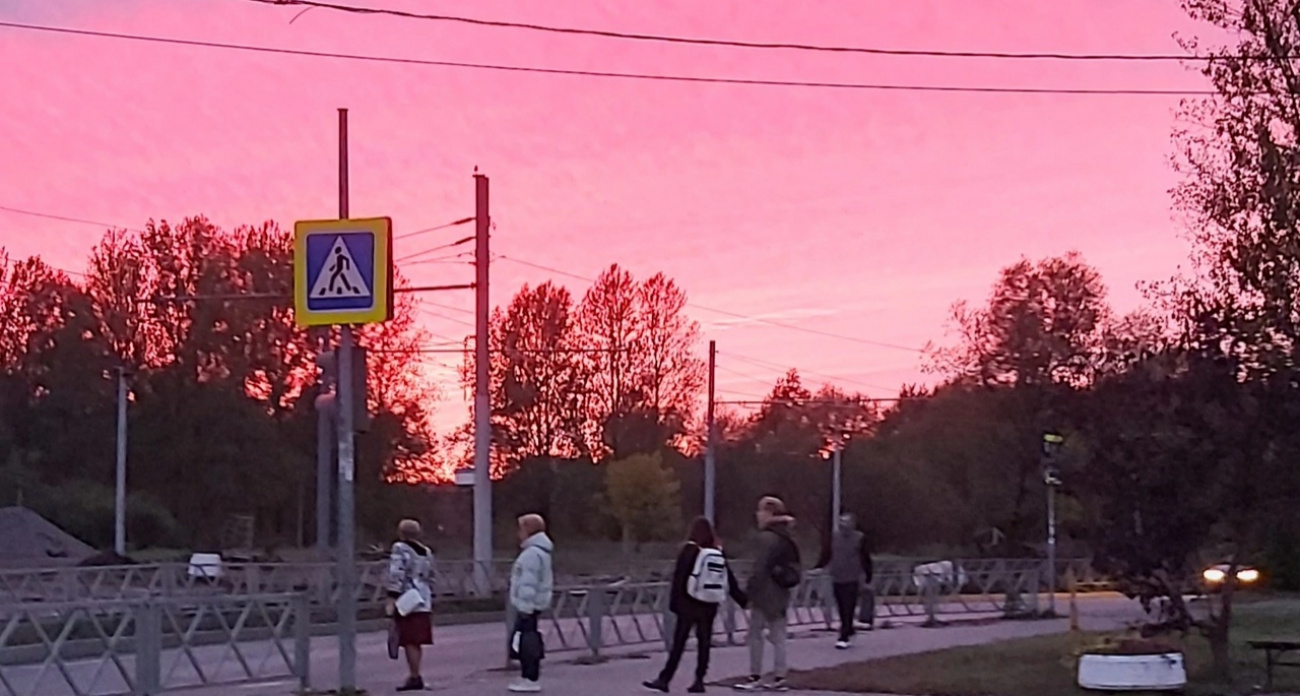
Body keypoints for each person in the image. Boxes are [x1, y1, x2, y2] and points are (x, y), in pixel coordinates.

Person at [644, 517, 748, 694]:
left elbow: (679, 579)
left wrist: (674, 605)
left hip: (688, 603)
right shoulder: (716, 552)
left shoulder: (688, 550)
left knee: (679, 643)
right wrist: (743, 600)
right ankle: (699, 680)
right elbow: (728, 578)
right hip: (709, 603)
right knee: (704, 642)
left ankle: (664, 679)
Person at [735, 497, 801, 692]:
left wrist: (748, 592)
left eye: (760, 510)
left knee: (755, 635)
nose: (757, 515)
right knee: (779, 636)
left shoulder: (765, 538)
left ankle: (755, 676)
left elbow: (759, 568)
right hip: (781, 591)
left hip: (764, 592)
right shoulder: (787, 537)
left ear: (769, 513)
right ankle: (780, 676)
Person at [385, 519, 435, 692]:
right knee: (417, 640)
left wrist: (392, 596)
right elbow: (431, 575)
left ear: (401, 533)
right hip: (423, 598)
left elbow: (396, 573)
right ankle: (416, 673)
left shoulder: (400, 548)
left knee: (409, 640)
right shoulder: (426, 551)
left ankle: (415, 676)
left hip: (407, 599)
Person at [508, 514, 554, 693]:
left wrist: (525, 606)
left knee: (526, 643)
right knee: (527, 640)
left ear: (528, 530)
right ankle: (528, 675)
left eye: (521, 528)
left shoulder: (531, 554)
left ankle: (530, 678)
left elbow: (528, 582)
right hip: (533, 605)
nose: (518, 533)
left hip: (528, 606)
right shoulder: (540, 552)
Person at [816, 513, 874, 649]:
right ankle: (848, 628)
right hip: (837, 576)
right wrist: (818, 567)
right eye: (842, 522)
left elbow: (865, 557)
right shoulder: (834, 538)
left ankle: (844, 636)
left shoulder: (859, 538)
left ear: (853, 524)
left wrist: (868, 575)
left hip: (852, 577)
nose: (844, 525)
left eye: (846, 522)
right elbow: (827, 554)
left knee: (849, 605)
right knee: (841, 605)